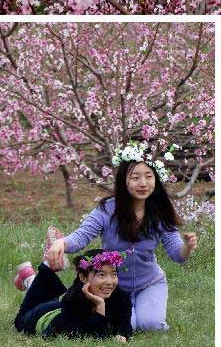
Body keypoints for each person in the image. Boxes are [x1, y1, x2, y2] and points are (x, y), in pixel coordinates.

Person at [46, 142, 198, 331]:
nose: (143, 183)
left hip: (149, 283)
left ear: (156, 180)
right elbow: (81, 238)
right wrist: (61, 242)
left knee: (152, 325)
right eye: (135, 178)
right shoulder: (107, 209)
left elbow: (177, 254)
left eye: (149, 177)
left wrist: (187, 246)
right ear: (123, 181)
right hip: (112, 286)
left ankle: (144, 308)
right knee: (126, 327)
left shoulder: (159, 211)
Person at [13, 249, 133, 341]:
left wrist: (121, 334)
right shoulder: (73, 299)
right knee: (20, 322)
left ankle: (29, 279)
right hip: (41, 316)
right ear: (83, 277)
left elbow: (124, 326)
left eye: (113, 274)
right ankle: (42, 268)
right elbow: (88, 336)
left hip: (59, 308)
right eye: (101, 275)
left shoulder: (121, 296)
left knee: (46, 297)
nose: (109, 282)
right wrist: (100, 306)